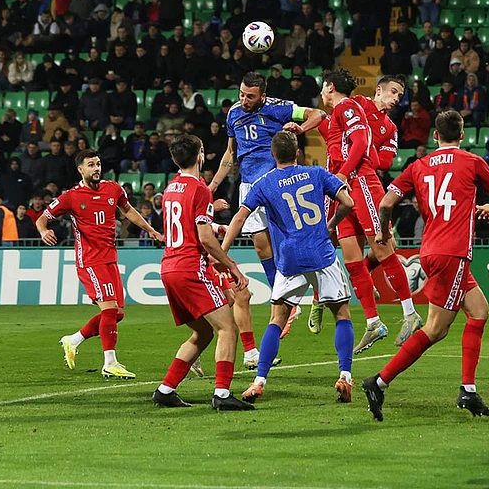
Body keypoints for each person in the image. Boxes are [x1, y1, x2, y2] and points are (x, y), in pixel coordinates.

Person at [361, 110, 489, 421]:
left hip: (430, 249)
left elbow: (386, 203)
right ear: (463, 135)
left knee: (479, 311)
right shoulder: (472, 162)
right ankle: (378, 382)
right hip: (453, 253)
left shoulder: (418, 165)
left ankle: (468, 389)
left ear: (435, 137)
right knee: (435, 329)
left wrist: (385, 231)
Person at [219, 130, 356, 404]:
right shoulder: (316, 174)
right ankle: (345, 375)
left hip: (290, 257)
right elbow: (348, 203)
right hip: (321, 254)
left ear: (272, 155)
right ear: (297, 153)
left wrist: (222, 253)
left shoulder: (265, 183)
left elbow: (239, 219)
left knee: (277, 319)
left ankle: (259, 381)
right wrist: (330, 225)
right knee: (341, 314)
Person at [317, 68, 424, 354]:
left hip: (361, 181)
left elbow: (381, 160)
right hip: (342, 186)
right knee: (352, 258)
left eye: (400, 96)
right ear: (378, 90)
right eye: (393, 93)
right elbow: (329, 128)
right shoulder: (358, 105)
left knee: (382, 247)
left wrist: (354, 158)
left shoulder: (388, 126)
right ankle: (373, 322)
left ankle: (410, 313)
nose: (396, 100)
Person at [37, 149, 163, 380]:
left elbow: (128, 210)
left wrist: (151, 230)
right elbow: (41, 218)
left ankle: (73, 340)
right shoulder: (71, 196)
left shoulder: (113, 188)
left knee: (118, 314)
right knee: (109, 310)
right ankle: (110, 362)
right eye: (91, 165)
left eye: (98, 164)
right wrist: (44, 231)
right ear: (80, 169)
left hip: (110, 258)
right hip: (90, 260)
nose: (96, 168)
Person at [209, 72, 325, 321]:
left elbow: (318, 114)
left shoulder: (280, 108)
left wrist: (300, 128)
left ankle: (319, 293)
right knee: (262, 249)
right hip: (249, 185)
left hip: (276, 183)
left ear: (263, 95)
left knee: (290, 245)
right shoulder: (233, 114)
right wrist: (212, 186)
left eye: (250, 96)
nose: (244, 100)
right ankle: (286, 303)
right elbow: (230, 154)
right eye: (241, 94)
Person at [150, 135, 253, 411]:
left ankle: (166, 389)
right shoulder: (199, 189)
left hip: (169, 267)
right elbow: (204, 239)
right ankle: (222, 394)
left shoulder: (171, 187)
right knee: (227, 328)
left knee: (203, 333)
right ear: (200, 156)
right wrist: (231, 266)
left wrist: (215, 227)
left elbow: (187, 228)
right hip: (189, 268)